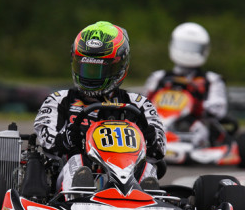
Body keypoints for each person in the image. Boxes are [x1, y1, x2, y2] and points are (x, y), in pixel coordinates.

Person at [34, 21, 166, 192]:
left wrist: (150, 138)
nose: (90, 77)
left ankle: (145, 195)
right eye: (85, 68)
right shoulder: (59, 100)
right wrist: (67, 139)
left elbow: (160, 149)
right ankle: (80, 191)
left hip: (127, 172)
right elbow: (47, 140)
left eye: (98, 71)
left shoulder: (138, 104)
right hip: (71, 175)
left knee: (148, 166)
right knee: (78, 161)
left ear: (120, 67)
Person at [144, 22, 229, 147]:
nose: (188, 52)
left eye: (193, 47)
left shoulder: (211, 79)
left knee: (197, 127)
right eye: (184, 46)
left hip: (192, 123)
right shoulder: (159, 77)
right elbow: (144, 102)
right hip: (158, 119)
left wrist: (197, 102)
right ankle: (157, 134)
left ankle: (185, 140)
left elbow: (219, 110)